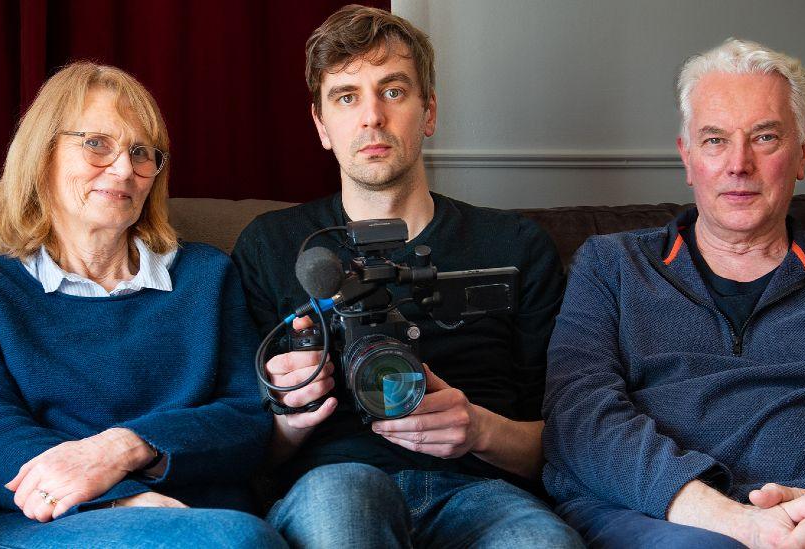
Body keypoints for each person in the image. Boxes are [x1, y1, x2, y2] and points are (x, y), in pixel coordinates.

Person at [232, 5, 582, 548]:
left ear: (429, 113)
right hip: (336, 483)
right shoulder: (273, 245)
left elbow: (564, 444)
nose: (372, 116)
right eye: (347, 97)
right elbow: (243, 445)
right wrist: (291, 415)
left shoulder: (514, 245)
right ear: (322, 126)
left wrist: (480, 430)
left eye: (393, 91)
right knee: (339, 512)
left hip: (479, 492)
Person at [542, 38, 805, 548]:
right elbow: (578, 417)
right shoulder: (613, 267)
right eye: (715, 140)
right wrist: (736, 522)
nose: (739, 164)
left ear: (803, 150)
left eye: (764, 137)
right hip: (664, 513)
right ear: (687, 157)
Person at [0, 62, 286, 548]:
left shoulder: (207, 276)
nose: (124, 169)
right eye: (96, 143)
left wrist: (124, 447)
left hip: (203, 512)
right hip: (42, 523)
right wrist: (119, 499)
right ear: (43, 156)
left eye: (141, 152)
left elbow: (247, 419)